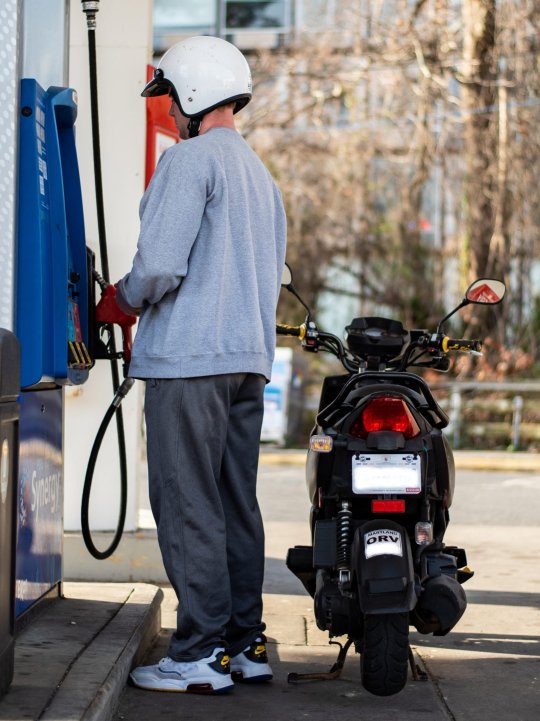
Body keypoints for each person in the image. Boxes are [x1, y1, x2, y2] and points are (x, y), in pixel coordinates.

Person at [115, 36, 287, 694]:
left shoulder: (190, 164)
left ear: (190, 96)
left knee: (188, 504)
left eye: (167, 101)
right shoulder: (260, 179)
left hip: (189, 362)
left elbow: (159, 265)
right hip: (247, 362)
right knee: (231, 504)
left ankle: (196, 651)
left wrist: (120, 299)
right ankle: (244, 644)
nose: (165, 115)